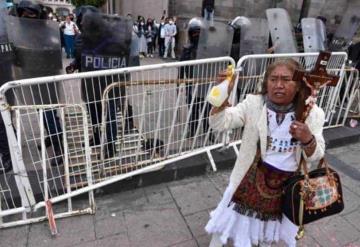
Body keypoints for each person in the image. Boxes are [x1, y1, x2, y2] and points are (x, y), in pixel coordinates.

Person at [205, 59, 325, 247]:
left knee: (266, 232)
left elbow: (317, 155)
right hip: (247, 179)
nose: (278, 85)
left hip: (285, 186)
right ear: (266, 82)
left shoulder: (312, 113)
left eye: (286, 80)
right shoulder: (254, 103)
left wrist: (308, 138)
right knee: (225, 224)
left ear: (299, 84)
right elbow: (221, 123)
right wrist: (221, 97)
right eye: (273, 79)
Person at [179, 18, 214, 142]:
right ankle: (192, 130)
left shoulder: (208, 49)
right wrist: (179, 84)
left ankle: (209, 132)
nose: (196, 36)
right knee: (193, 109)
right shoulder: (187, 48)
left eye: (198, 33)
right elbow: (181, 67)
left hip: (205, 83)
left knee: (207, 110)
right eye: (194, 33)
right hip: (192, 83)